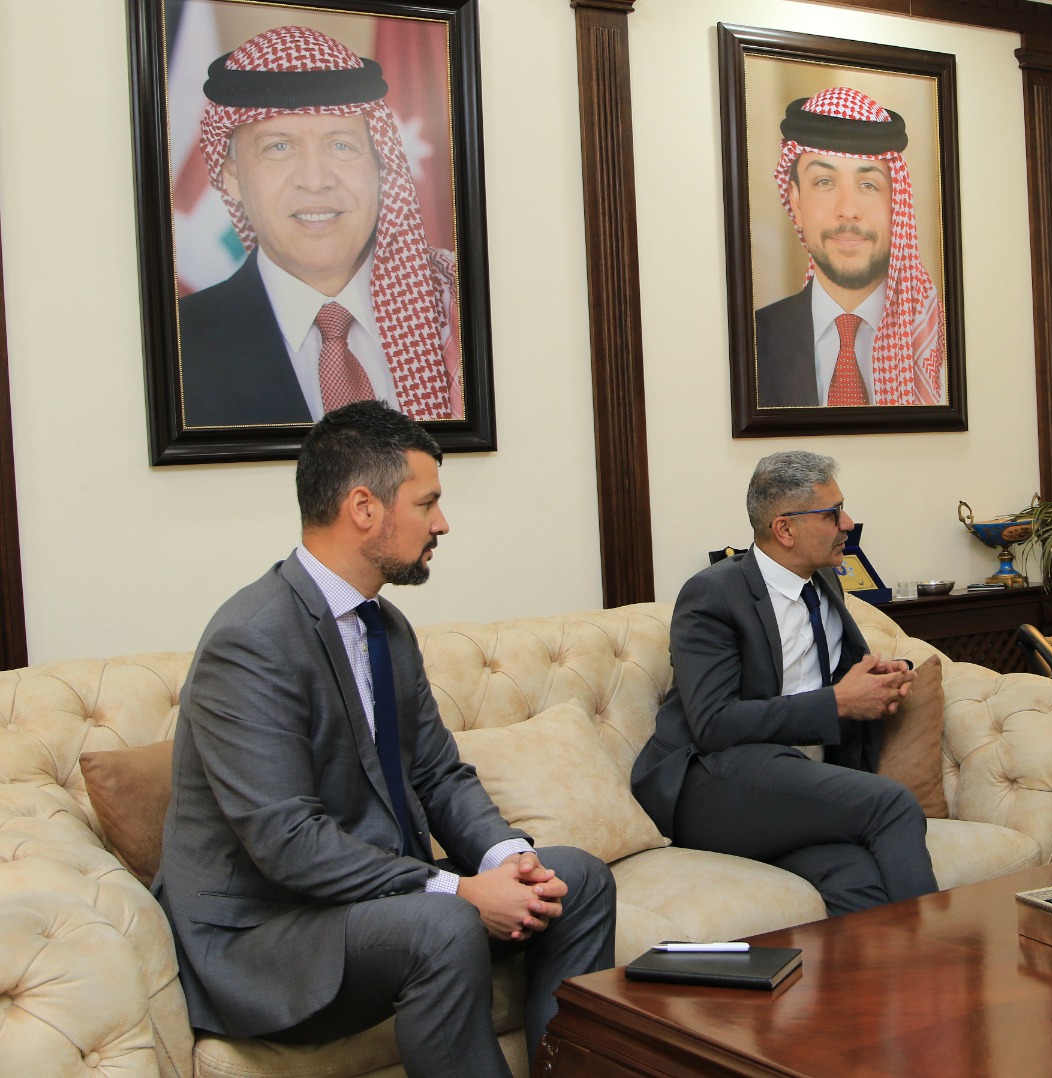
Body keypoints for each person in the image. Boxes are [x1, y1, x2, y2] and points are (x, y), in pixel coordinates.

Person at [154, 402, 614, 1076]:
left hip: (375, 904)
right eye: (427, 503)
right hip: (268, 935)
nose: (442, 523)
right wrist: (458, 893)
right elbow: (287, 841)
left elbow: (437, 773)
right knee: (443, 924)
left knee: (576, 880)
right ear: (364, 507)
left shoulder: (383, 626)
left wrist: (507, 861)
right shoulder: (250, 641)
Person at [631, 450, 939, 914]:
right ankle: (944, 954)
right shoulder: (714, 593)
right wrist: (838, 702)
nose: (848, 524)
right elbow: (713, 724)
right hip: (708, 782)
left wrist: (873, 682)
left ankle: (880, 964)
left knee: (856, 878)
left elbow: (817, 676)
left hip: (792, 782)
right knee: (891, 803)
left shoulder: (826, 580)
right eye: (833, 513)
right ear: (785, 529)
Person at [177, 25, 462, 428]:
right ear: (233, 178)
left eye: (341, 145)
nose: (315, 180)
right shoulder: (177, 346)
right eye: (279, 147)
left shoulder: (457, 313)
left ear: (380, 165)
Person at [754, 87, 945, 408]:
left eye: (868, 184)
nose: (847, 210)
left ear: (896, 204)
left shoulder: (938, 342)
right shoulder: (753, 341)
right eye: (824, 182)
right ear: (796, 202)